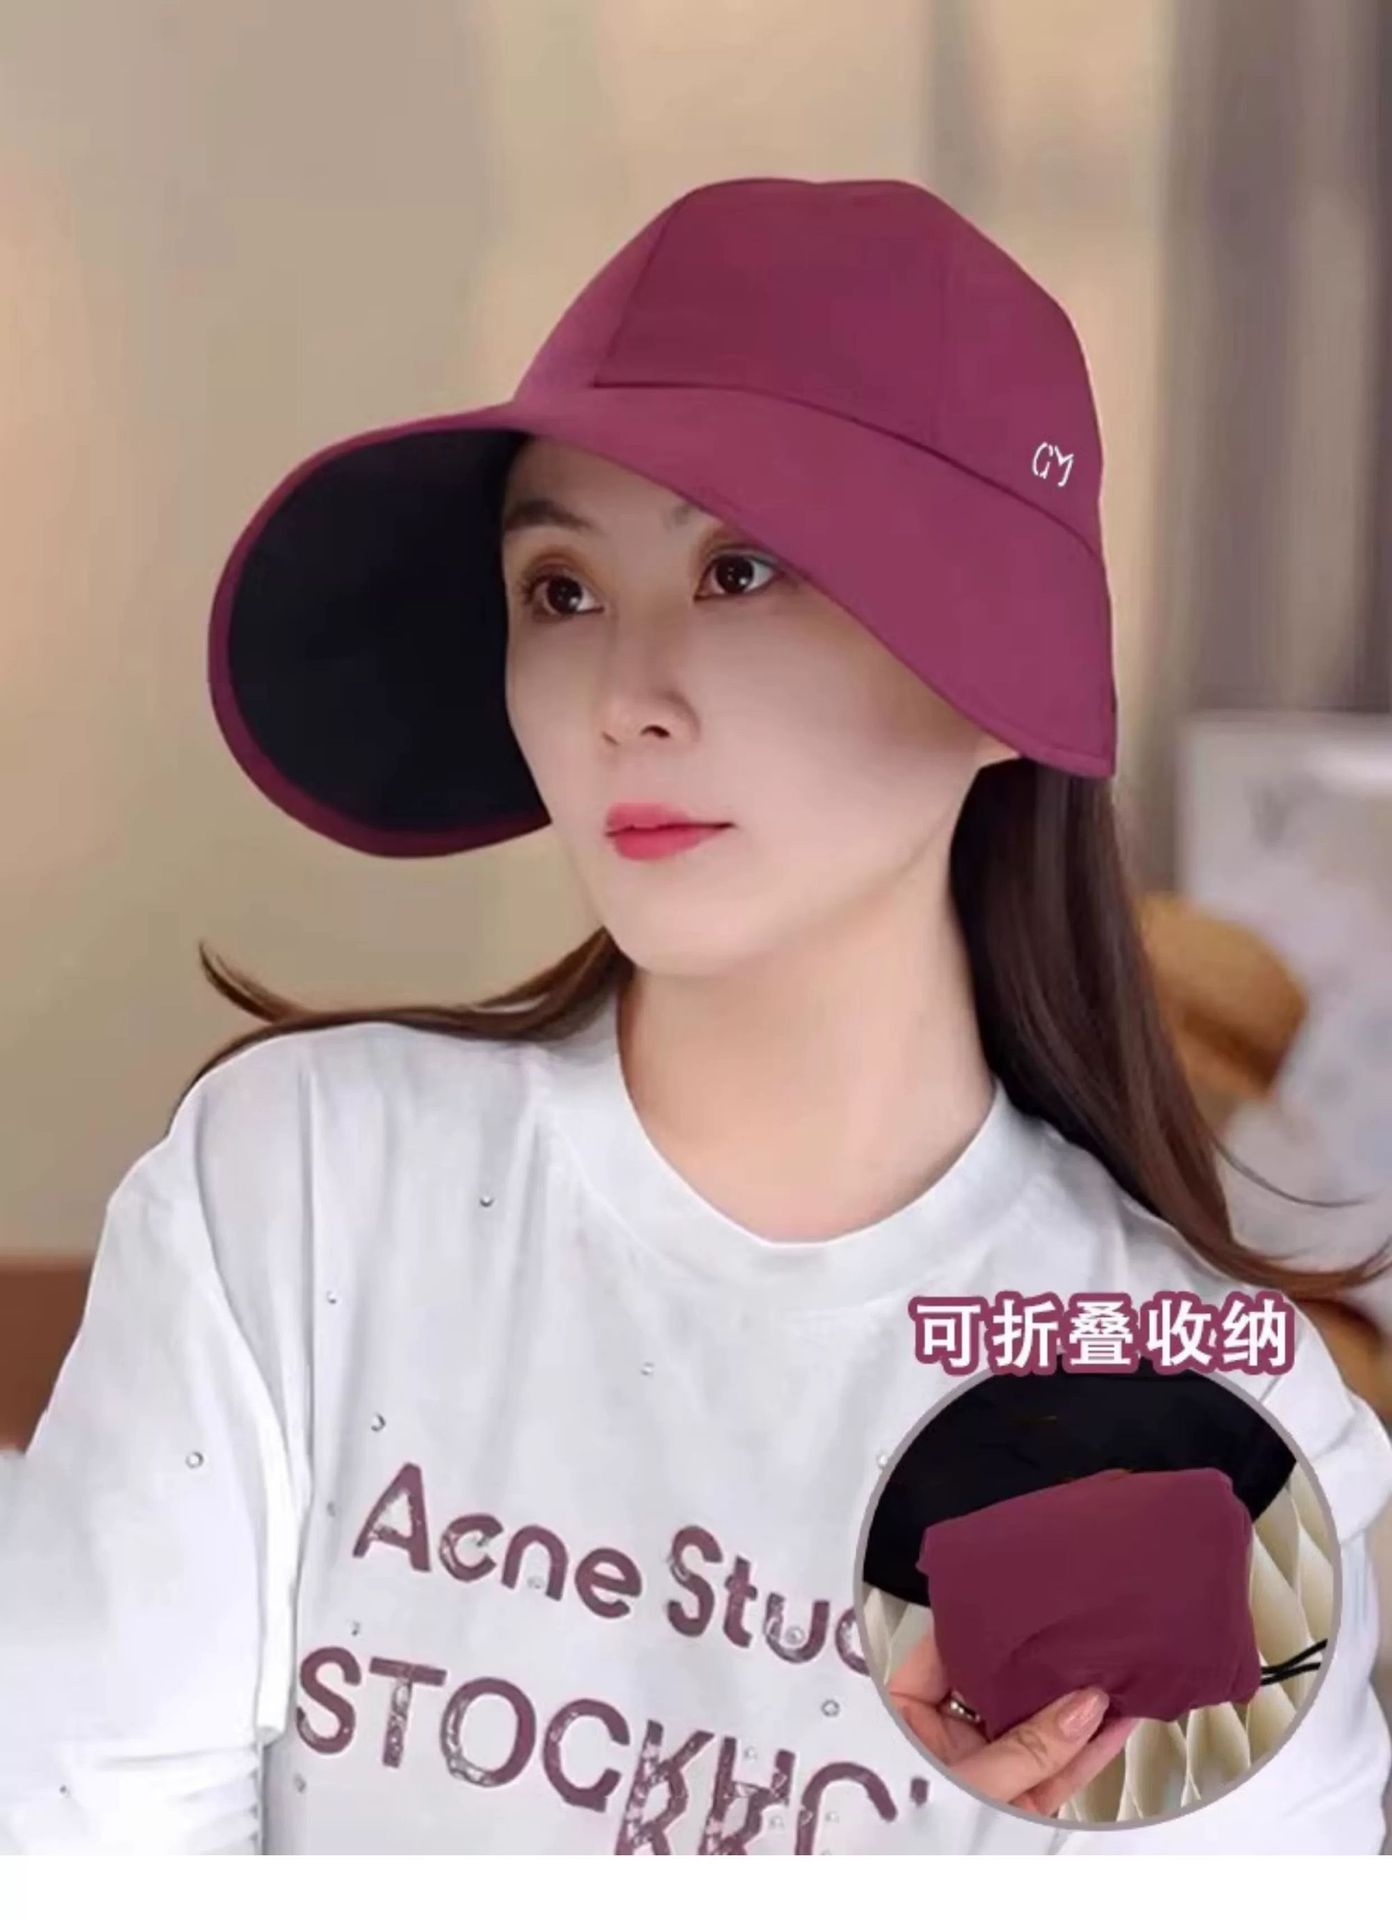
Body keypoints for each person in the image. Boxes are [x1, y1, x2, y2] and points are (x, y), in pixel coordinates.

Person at [2, 176, 1391, 1857]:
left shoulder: (1210, 1433)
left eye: (739, 570)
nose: (622, 699)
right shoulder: (293, 1193)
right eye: (560, 590)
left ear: (1005, 668)